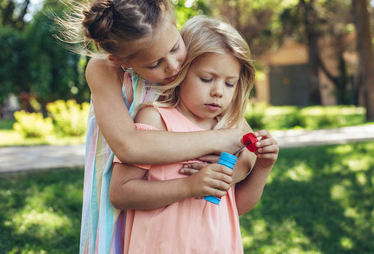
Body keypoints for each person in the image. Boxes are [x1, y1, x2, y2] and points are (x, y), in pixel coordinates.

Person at [56, 0, 255, 254]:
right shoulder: (105, 70)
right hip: (125, 196)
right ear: (120, 59)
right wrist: (218, 141)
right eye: (154, 64)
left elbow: (245, 148)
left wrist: (221, 173)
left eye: (175, 48)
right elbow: (129, 146)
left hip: (177, 214)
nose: (173, 66)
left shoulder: (190, 69)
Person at [109, 15, 279, 253]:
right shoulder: (156, 118)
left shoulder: (228, 129)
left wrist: (263, 167)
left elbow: (236, 206)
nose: (218, 92)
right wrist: (190, 186)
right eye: (207, 79)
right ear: (181, 72)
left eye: (230, 83)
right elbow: (121, 193)